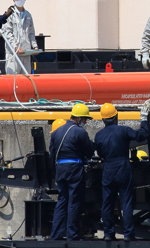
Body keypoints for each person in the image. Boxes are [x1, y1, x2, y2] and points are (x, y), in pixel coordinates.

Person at [93, 103, 150, 240]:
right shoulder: (123, 130)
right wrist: (144, 119)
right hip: (122, 167)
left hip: (108, 168)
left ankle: (108, 234)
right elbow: (142, 135)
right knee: (126, 202)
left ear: (103, 119)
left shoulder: (99, 135)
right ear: (116, 116)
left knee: (107, 203)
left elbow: (100, 154)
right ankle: (128, 234)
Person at [49, 103, 95, 241]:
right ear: (79, 118)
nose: (85, 122)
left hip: (60, 169)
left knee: (62, 200)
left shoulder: (57, 132)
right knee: (74, 201)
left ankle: (56, 235)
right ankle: (72, 235)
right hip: (74, 169)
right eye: (85, 119)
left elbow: (52, 155)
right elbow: (89, 152)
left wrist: (54, 172)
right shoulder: (80, 132)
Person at [0, 0, 37, 75]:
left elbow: (31, 32)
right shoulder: (9, 14)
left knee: (26, 79)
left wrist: (35, 47)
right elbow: (7, 33)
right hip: (13, 54)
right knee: (13, 80)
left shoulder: (28, 14)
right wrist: (15, 47)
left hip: (26, 52)